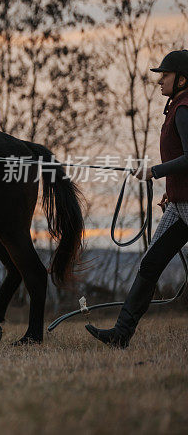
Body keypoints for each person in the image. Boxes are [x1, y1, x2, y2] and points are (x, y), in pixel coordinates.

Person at [86, 49, 188, 348]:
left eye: (165, 76)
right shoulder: (177, 107)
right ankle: (120, 335)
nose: (160, 81)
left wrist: (154, 172)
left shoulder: (184, 109)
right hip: (180, 205)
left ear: (182, 79)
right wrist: (172, 192)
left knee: (149, 265)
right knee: (149, 265)